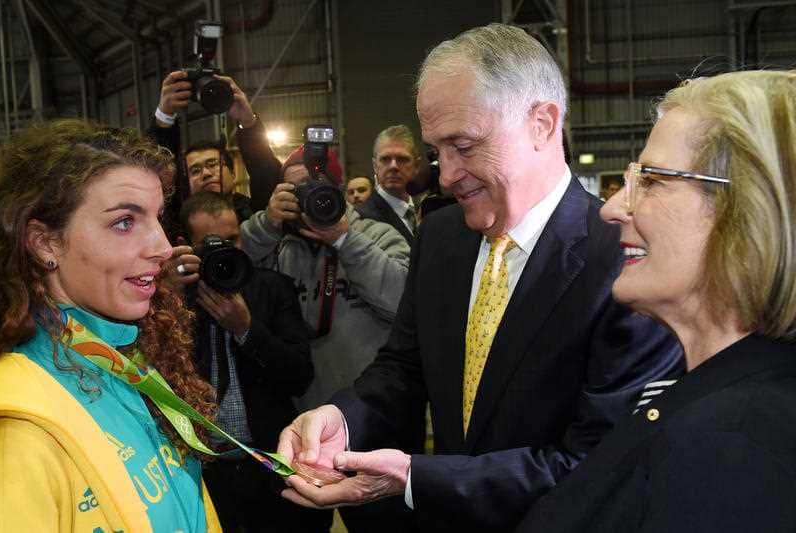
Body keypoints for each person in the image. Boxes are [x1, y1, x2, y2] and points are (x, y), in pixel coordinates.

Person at [275, 23, 683, 532]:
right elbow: (403, 368)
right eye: (437, 150)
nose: (445, 174)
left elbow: (597, 462)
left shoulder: (624, 262)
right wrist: (341, 417)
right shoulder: (442, 236)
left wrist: (416, 479)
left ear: (542, 123)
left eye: (464, 146)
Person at [516, 70, 796, 532]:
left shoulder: (738, 440)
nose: (611, 208)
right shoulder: (703, 394)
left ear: (748, 208)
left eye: (651, 180)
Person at [0, 120, 221, 532]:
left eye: (157, 218)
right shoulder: (17, 431)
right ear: (45, 243)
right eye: (124, 222)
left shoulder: (122, 358)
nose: (163, 247)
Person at [241, 145, 424, 531]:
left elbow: (404, 302)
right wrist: (267, 225)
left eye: (315, 190)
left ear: (337, 190)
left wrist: (344, 239)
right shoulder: (280, 246)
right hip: (302, 427)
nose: (307, 201)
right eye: (295, 193)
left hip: (375, 417)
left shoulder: (377, 233)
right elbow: (237, 276)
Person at [173, 191, 332, 532]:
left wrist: (246, 329)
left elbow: (299, 376)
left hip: (272, 464)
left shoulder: (272, 289)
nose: (224, 252)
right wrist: (167, 295)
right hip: (205, 473)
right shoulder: (174, 298)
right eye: (211, 243)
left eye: (231, 239)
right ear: (187, 245)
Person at [150, 70, 282, 237]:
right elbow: (157, 173)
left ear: (233, 173)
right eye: (195, 171)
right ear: (186, 184)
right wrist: (164, 117)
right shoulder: (178, 226)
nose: (205, 174)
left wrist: (247, 121)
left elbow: (266, 173)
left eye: (213, 164)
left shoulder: (257, 216)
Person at [355, 124, 421, 245]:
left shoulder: (426, 211)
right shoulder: (362, 218)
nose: (393, 166)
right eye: (385, 159)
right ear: (375, 166)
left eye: (402, 159)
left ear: (416, 166)